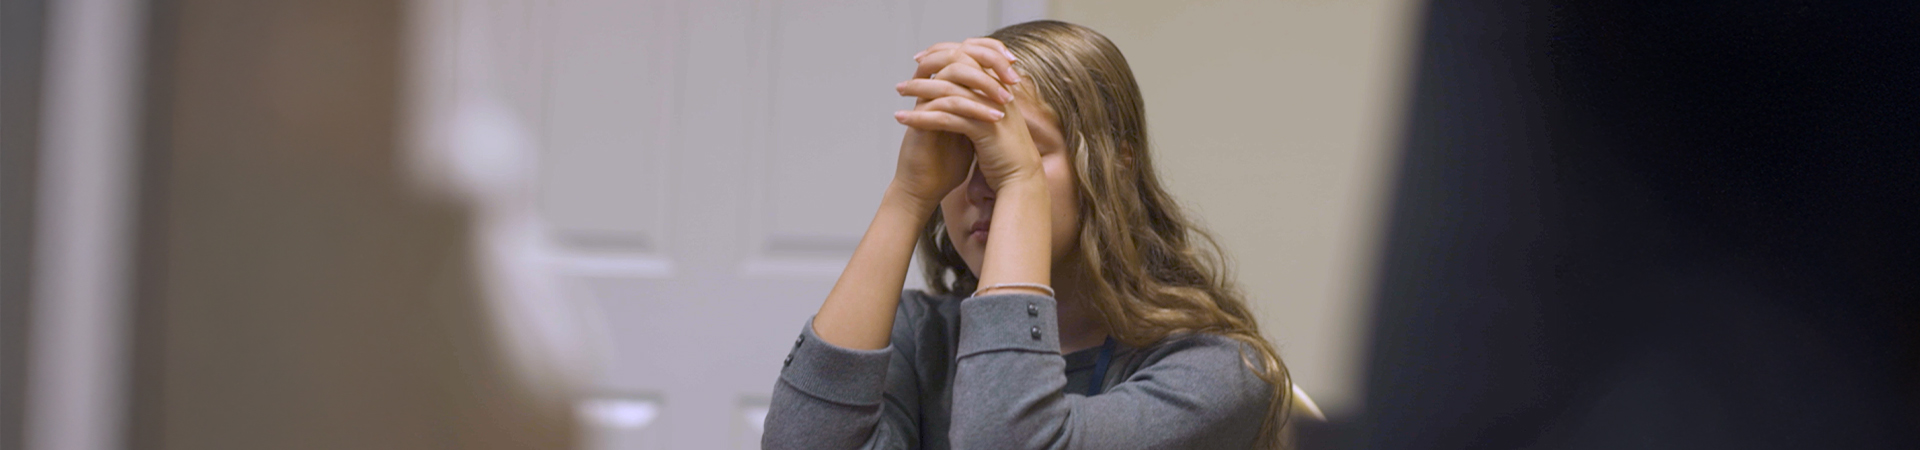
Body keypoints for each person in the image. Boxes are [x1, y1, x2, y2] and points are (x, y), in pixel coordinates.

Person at [763, 20, 1298, 450]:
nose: (981, 184)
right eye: (965, 149)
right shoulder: (919, 335)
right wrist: (907, 197)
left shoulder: (1218, 373)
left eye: (1018, 148)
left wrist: (1020, 182)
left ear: (1115, 166)